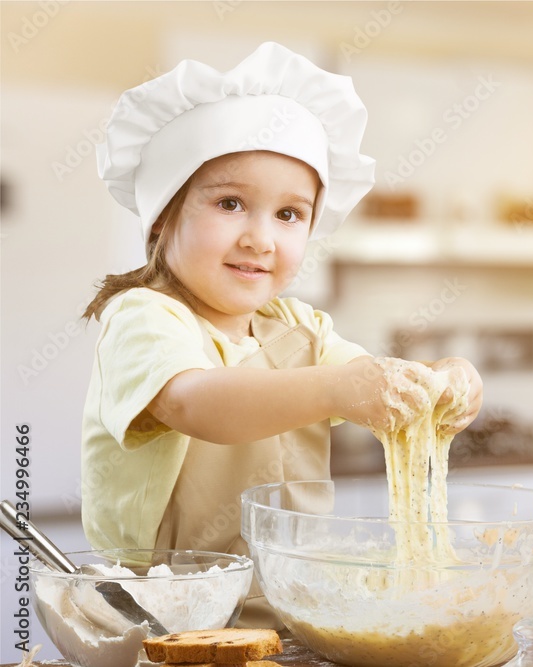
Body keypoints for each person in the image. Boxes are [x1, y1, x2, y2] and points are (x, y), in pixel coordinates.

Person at [80, 42, 483, 625]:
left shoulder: (301, 328)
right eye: (230, 203)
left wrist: (445, 379)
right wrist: (335, 390)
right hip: (160, 615)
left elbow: (374, 382)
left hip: (288, 607)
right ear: (163, 216)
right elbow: (194, 401)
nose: (260, 239)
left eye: (289, 214)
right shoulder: (145, 316)